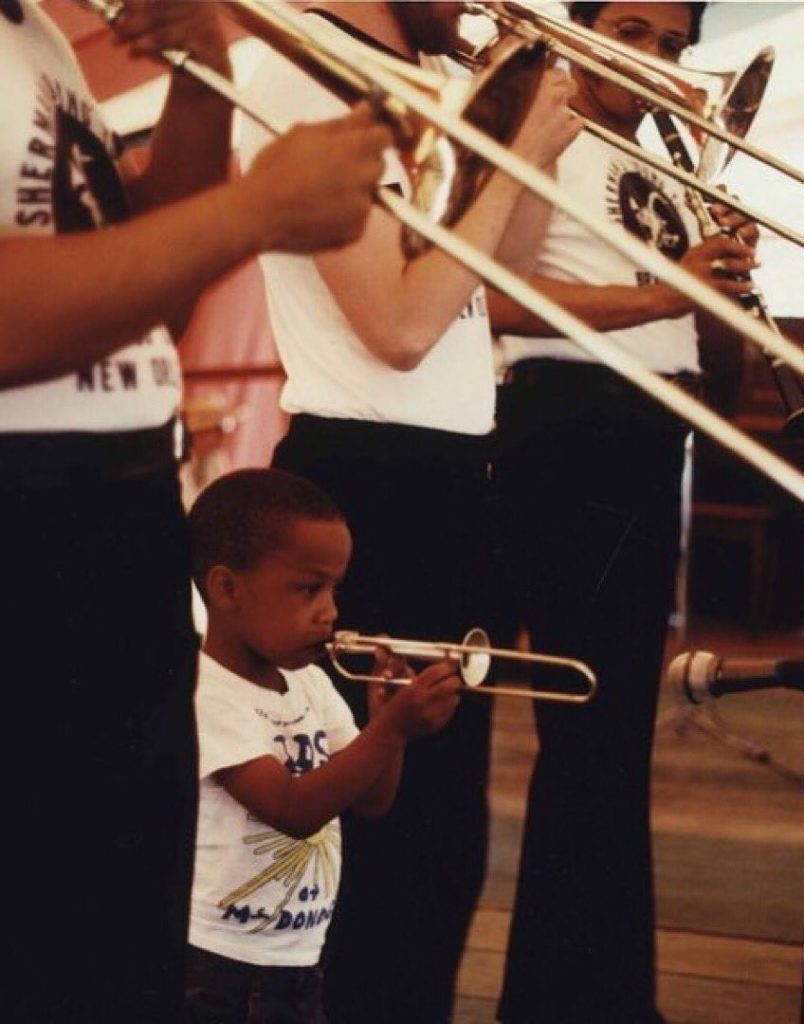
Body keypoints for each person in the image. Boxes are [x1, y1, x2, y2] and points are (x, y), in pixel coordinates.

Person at [1, 2, 390, 1021]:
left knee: (120, 909)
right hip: (29, 506)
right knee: (43, 918)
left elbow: (137, 288)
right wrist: (254, 211)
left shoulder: (31, 31)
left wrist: (200, 72)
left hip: (113, 499)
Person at [235, 4, 581, 1021]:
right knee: (380, 844)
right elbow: (399, 322)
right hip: (364, 481)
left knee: (441, 845)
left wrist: (536, 132)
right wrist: (516, 151)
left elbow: (491, 274)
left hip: (445, 479)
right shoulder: (307, 77)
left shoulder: (434, 71)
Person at [487, 4, 759, 1021]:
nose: (653, 62)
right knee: (590, 729)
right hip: (567, 424)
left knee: (612, 738)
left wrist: (722, 295)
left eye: (672, 46)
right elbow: (502, 298)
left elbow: (691, 324)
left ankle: (594, 994)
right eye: (632, 33)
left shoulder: (670, 160)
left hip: (649, 430)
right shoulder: (540, 125)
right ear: (580, 27)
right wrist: (668, 294)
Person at [185, 468, 461, 1024]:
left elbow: (371, 800)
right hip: (218, 971)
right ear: (227, 589)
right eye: (309, 589)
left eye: (335, 589)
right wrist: (391, 731)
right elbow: (292, 809)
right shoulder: (206, 693)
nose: (331, 611)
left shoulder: (309, 681)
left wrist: (387, 725)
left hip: (300, 960)